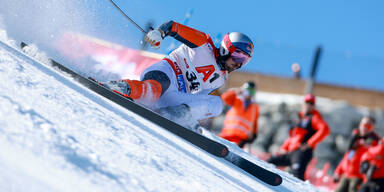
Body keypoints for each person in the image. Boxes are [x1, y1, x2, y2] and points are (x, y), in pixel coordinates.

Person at [101, 20, 254, 129]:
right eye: (238, 56)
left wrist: (190, 117)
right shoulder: (203, 44)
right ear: (225, 49)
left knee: (217, 103)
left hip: (174, 97)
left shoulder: (220, 79)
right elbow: (173, 27)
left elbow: (198, 100)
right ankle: (125, 87)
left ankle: (177, 117)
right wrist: (159, 33)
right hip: (165, 73)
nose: (239, 63)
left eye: (245, 60)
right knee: (153, 91)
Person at [266, 94, 330, 180]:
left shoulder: (314, 117)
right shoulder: (299, 118)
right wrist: (284, 148)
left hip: (302, 152)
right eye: (307, 102)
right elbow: (292, 137)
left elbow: (325, 129)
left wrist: (309, 144)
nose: (309, 105)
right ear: (303, 103)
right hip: (290, 152)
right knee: (270, 161)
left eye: (311, 103)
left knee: (298, 174)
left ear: (314, 106)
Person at [333, 116, 380, 192]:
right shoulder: (355, 138)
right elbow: (347, 157)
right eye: (363, 125)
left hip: (359, 178)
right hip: (346, 175)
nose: (364, 128)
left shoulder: (375, 143)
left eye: (368, 126)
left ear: (372, 128)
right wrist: (338, 172)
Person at [218, 81, 259, 148]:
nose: (249, 93)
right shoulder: (236, 99)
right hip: (227, 134)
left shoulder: (255, 107)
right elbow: (224, 98)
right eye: (248, 90)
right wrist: (236, 91)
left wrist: (254, 134)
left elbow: (254, 122)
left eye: (252, 91)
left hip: (240, 140)